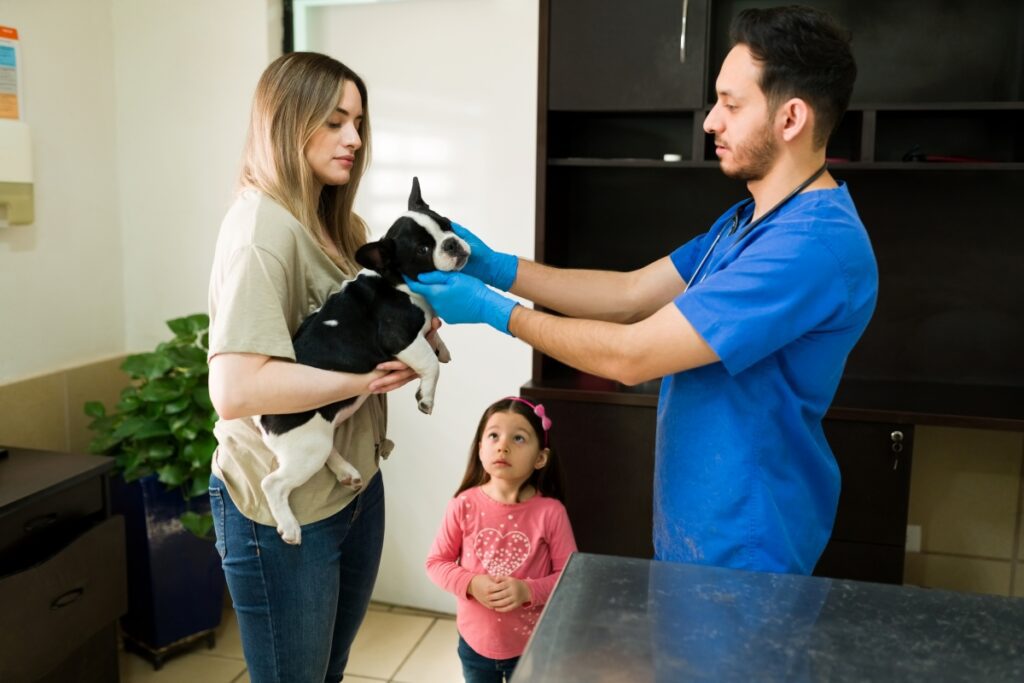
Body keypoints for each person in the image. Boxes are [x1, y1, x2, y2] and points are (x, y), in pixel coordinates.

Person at [407, 6, 877, 575]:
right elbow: (630, 294)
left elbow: (632, 356)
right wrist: (496, 267)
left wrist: (492, 311)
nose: (710, 122)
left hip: (747, 545)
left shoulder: (810, 246)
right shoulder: (748, 221)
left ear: (791, 118)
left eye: (731, 104)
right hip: (699, 526)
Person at [206, 52, 427, 681]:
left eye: (358, 122)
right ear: (286, 122)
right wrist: (368, 380)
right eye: (334, 122)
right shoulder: (260, 232)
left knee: (327, 670)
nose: (355, 139)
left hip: (351, 484)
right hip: (283, 511)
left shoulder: (336, 223)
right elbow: (237, 388)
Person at [425, 397, 577, 683]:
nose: (502, 445)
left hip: (533, 646)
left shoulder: (551, 513)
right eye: (493, 435)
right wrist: (471, 583)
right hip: (474, 644)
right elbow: (436, 563)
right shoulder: (463, 505)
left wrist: (527, 591)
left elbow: (569, 579)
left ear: (540, 458)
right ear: (480, 447)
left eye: (518, 438)